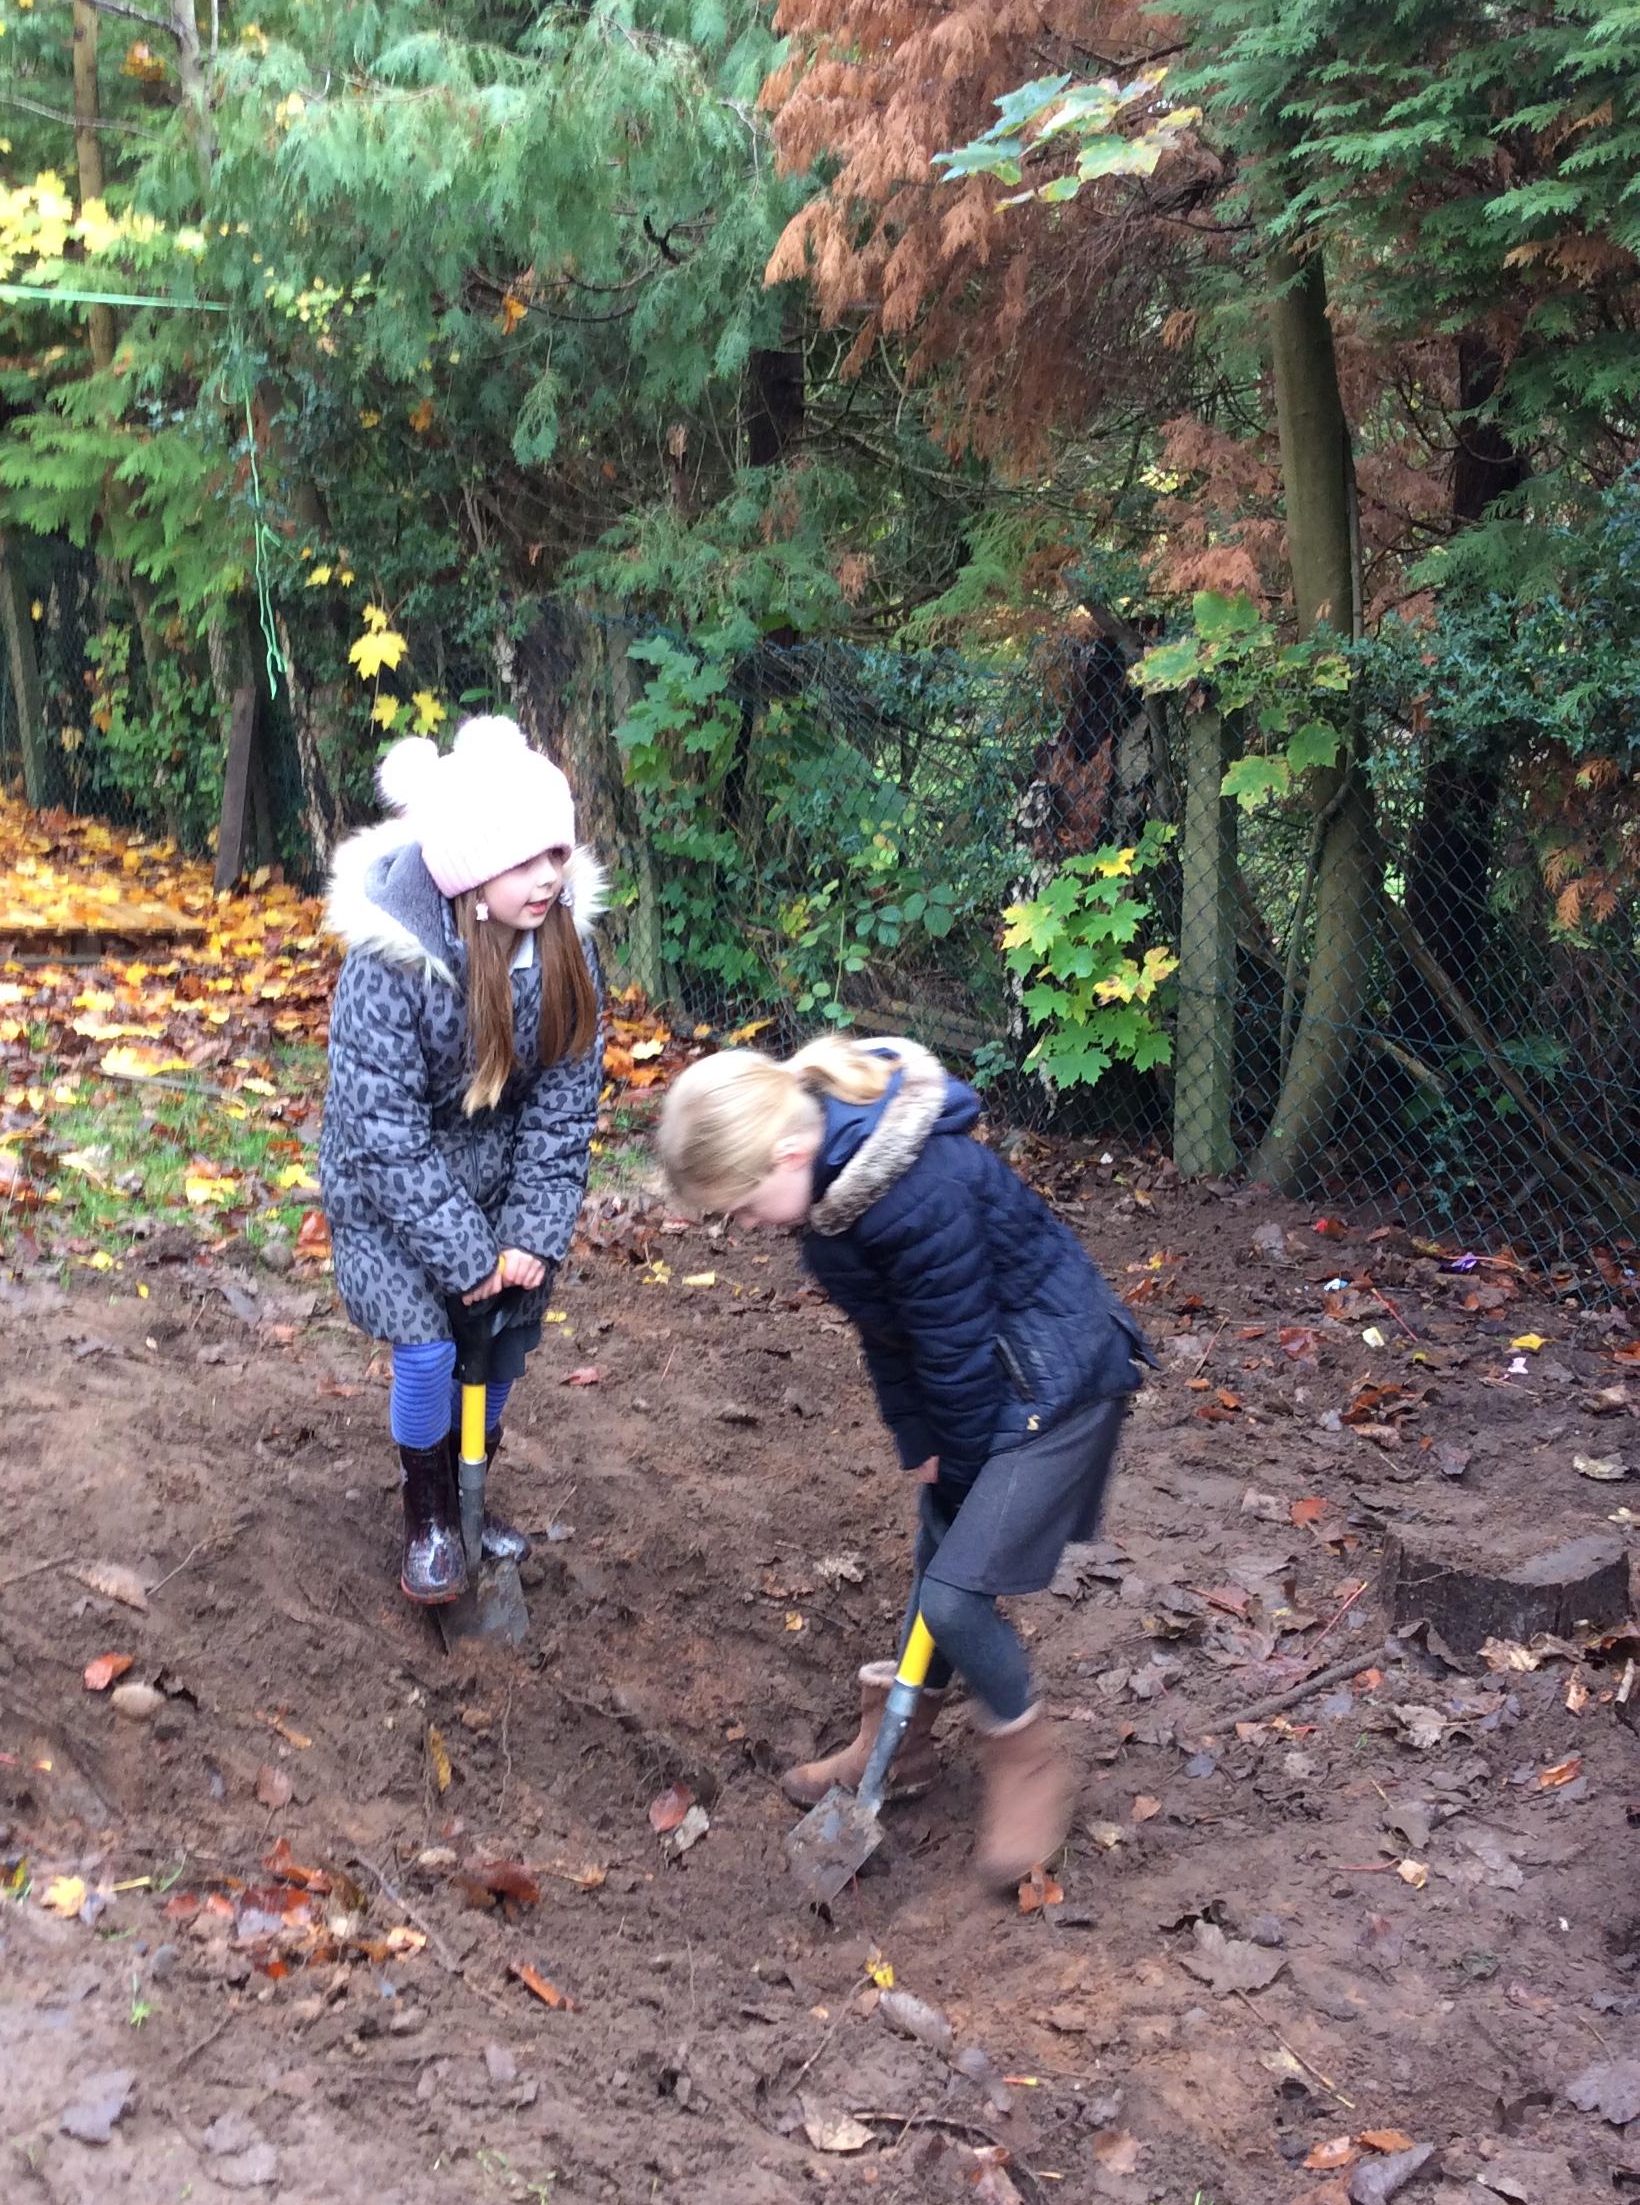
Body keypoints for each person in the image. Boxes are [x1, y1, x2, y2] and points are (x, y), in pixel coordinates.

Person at [657, 1034, 1146, 1888]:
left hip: (1060, 1384)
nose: (744, 1227)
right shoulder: (830, 1210)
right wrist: (920, 1444)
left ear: (789, 1153)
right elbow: (889, 1340)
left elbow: (953, 1348)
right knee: (937, 1553)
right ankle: (901, 1743)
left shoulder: (917, 1191)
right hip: (996, 1381)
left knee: (954, 1596)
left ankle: (1027, 1757)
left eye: (742, 1207)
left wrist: (960, 1460)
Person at [320, 716, 604, 1601]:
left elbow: (564, 1106)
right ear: (471, 876)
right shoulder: (389, 964)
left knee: (498, 1348)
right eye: (525, 861)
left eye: (556, 854)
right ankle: (432, 1513)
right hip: (388, 1193)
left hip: (501, 1189)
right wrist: (463, 1255)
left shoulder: (566, 949)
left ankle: (471, 1486)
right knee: (429, 1352)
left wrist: (528, 1234)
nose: (549, 877)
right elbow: (382, 1129)